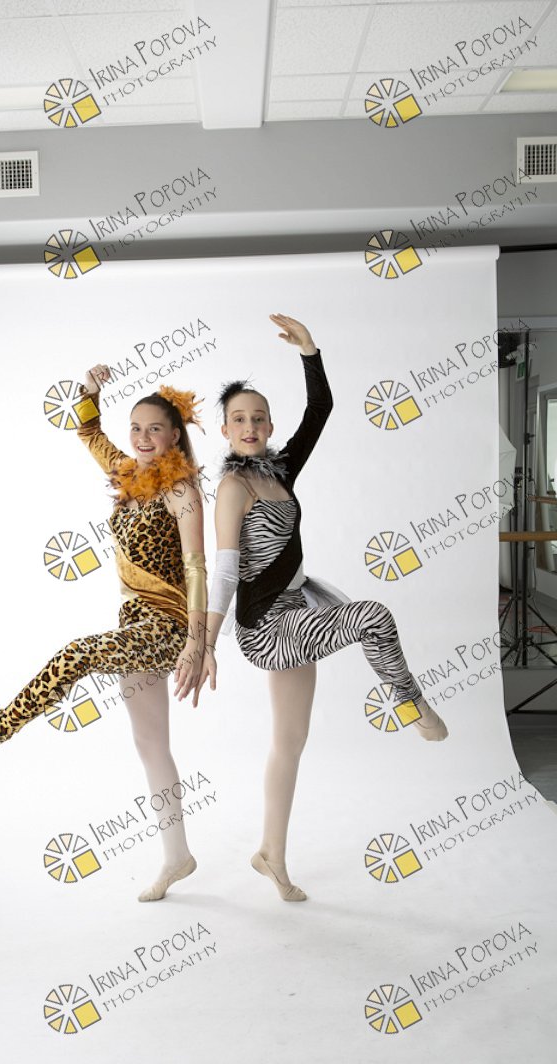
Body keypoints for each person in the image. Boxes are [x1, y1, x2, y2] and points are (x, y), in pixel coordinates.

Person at [0, 364, 211, 902]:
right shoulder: (128, 473)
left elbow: (198, 569)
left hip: (169, 627)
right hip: (133, 624)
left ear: (175, 435)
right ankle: (178, 857)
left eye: (154, 429)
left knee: (76, 654)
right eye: (136, 428)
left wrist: (198, 642)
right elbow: (88, 431)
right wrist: (90, 393)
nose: (142, 438)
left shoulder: (181, 491)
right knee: (151, 744)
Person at [198, 313, 447, 902]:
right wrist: (205, 643)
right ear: (225, 430)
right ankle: (411, 704)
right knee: (372, 616)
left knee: (290, 742)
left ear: (269, 425)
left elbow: (321, 410)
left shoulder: (279, 471)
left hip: (300, 612)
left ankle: (271, 855)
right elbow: (225, 569)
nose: (251, 426)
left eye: (259, 417)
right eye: (240, 419)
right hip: (267, 627)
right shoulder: (233, 488)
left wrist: (309, 351)